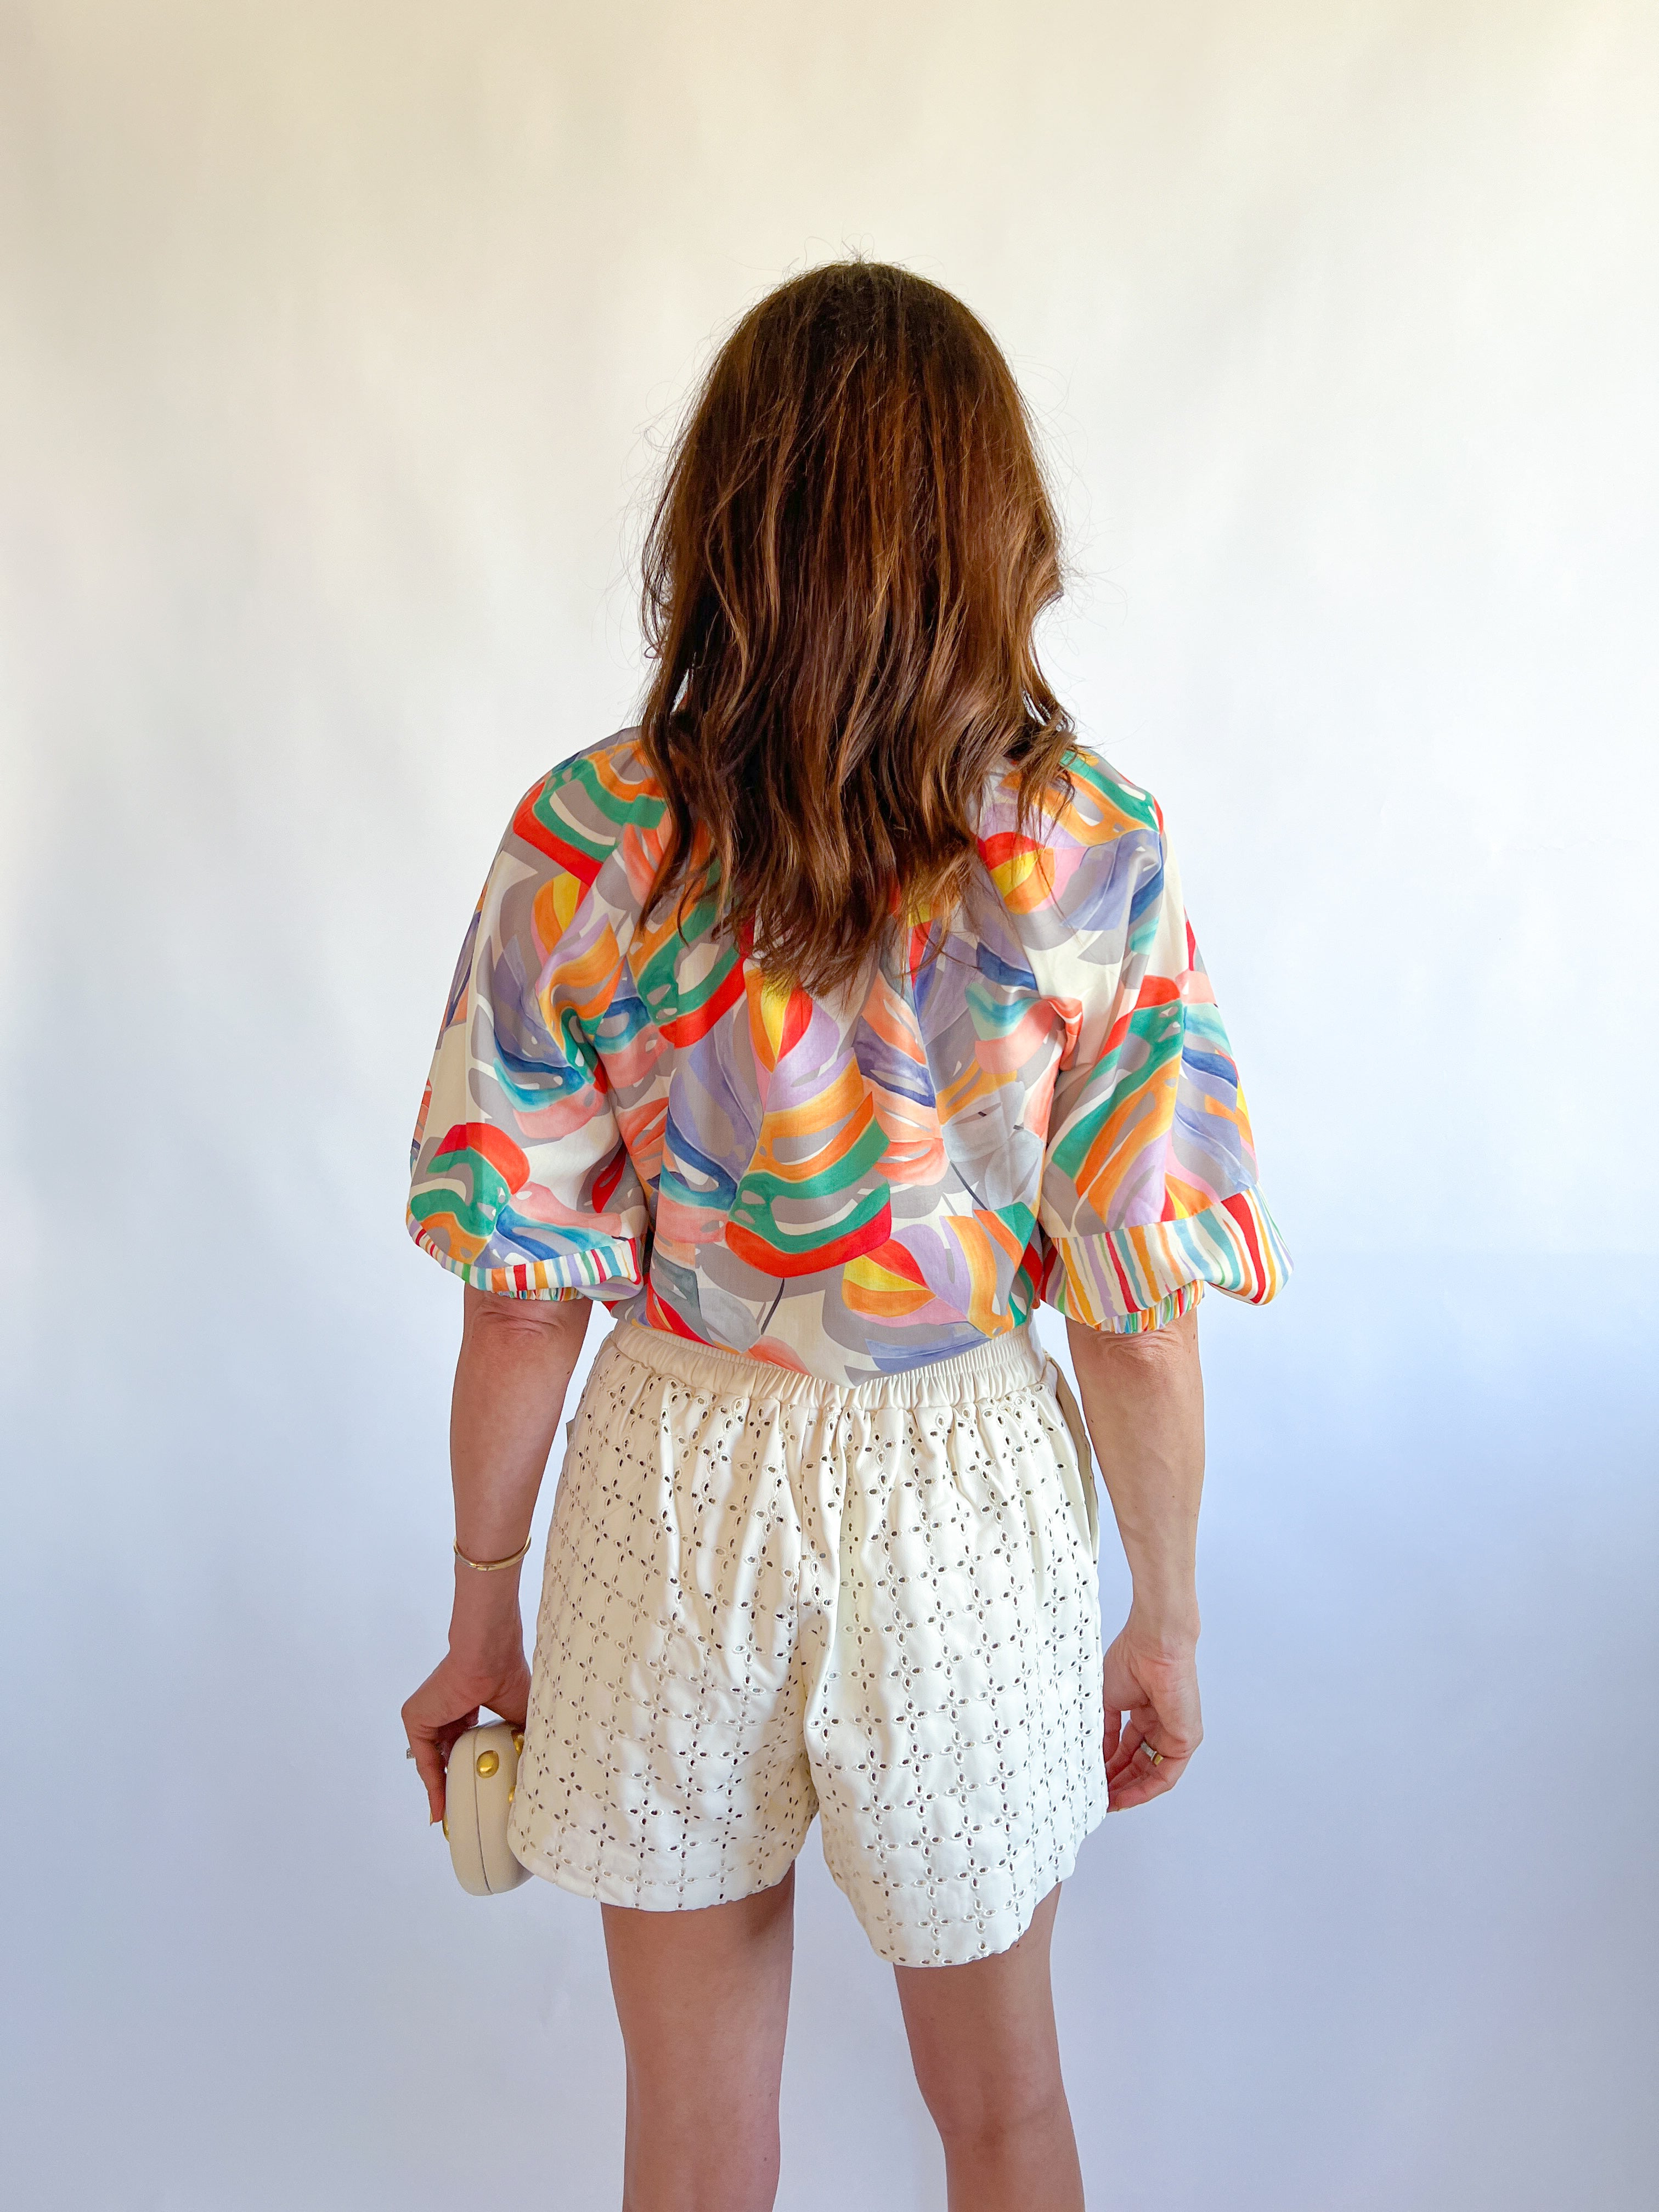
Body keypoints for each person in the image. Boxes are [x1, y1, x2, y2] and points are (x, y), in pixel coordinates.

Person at [401, 259, 1288, 2212]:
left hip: (670, 1478)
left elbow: (521, 1302)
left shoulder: (585, 838)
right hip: (960, 1490)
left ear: (717, 517)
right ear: (999, 529)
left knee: (692, 2139)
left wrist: (481, 1613)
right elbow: (1140, 1319)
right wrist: (1167, 1615)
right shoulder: (1090, 850)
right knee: (1008, 2113)